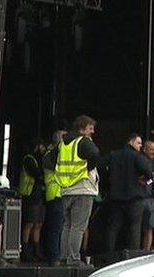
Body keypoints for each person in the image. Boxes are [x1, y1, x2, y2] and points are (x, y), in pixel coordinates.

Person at [57, 115, 101, 268]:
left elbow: (48, 160)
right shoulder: (84, 142)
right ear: (82, 128)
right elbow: (95, 154)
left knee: (67, 225)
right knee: (78, 226)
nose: (93, 131)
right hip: (82, 189)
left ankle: (63, 258)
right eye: (90, 128)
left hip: (66, 189)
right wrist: (87, 168)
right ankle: (74, 259)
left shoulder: (64, 144)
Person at [104, 133, 153, 253]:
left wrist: (108, 182)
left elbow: (101, 165)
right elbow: (148, 172)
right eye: (138, 143)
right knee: (134, 228)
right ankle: (132, 256)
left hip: (116, 197)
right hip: (134, 198)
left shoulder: (113, 155)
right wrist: (144, 180)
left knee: (113, 228)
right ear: (130, 142)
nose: (140, 146)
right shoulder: (137, 157)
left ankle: (107, 255)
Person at [19, 139, 48, 262]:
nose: (43, 148)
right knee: (30, 222)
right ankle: (25, 249)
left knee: (39, 223)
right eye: (42, 146)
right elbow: (37, 174)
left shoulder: (42, 159)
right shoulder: (29, 159)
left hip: (41, 195)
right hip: (31, 194)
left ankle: (36, 249)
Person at [42, 128, 66, 266]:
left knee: (60, 228)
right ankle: (54, 257)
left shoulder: (52, 154)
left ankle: (57, 255)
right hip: (55, 194)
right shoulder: (51, 155)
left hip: (60, 194)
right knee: (55, 228)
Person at [141, 140, 154, 250]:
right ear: (145, 149)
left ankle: (146, 251)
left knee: (149, 227)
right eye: (151, 149)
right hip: (138, 198)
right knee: (137, 226)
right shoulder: (138, 161)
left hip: (151, 199)